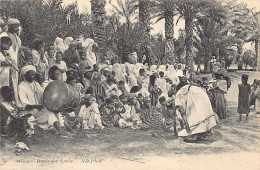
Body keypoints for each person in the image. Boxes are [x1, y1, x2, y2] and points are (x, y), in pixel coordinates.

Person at [18, 65, 66, 135]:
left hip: (39, 109)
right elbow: (24, 105)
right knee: (49, 112)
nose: (33, 77)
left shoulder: (36, 84)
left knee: (54, 110)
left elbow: (44, 95)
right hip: (29, 110)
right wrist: (36, 106)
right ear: (25, 75)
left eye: (34, 75)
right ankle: (60, 130)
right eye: (31, 75)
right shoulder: (21, 86)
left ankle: (59, 128)